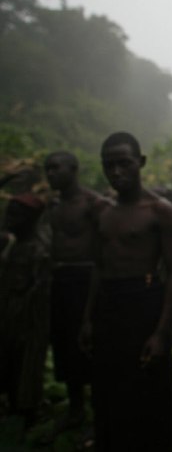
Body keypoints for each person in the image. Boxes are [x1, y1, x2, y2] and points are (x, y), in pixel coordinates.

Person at [80, 132, 172, 451]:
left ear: (141, 163)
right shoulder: (102, 211)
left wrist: (162, 332)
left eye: (124, 164)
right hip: (109, 305)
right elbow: (99, 266)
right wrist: (87, 318)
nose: (117, 173)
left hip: (144, 301)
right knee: (107, 384)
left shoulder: (159, 210)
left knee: (148, 385)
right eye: (109, 166)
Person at [44, 151, 108, 435]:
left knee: (90, 344)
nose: (50, 174)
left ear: (74, 169)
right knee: (65, 344)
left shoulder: (93, 203)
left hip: (86, 278)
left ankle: (100, 414)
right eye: (48, 169)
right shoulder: (54, 206)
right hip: (60, 278)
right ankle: (75, 409)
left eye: (56, 168)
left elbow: (103, 250)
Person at [0, 194, 49, 430]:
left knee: (25, 367)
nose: (8, 219)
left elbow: (39, 294)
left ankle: (27, 413)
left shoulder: (38, 251)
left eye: (15, 215)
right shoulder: (11, 246)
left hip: (25, 321)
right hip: (7, 316)